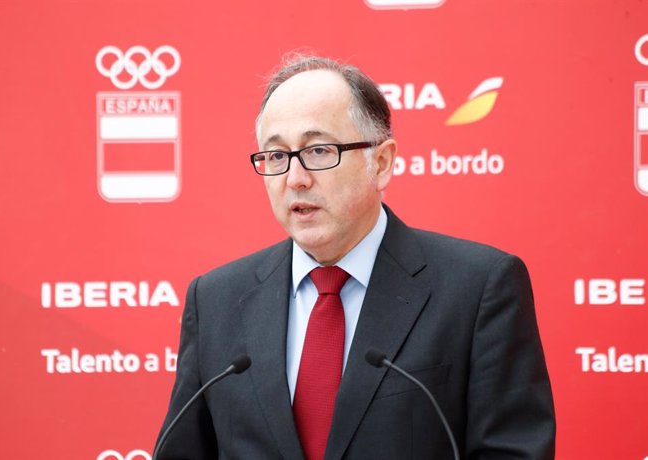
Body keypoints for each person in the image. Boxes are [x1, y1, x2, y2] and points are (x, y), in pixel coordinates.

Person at [155, 54, 555, 460]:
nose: (295, 179)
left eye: (319, 151)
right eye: (276, 156)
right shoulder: (216, 300)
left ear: (380, 163)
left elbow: (512, 450)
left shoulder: (477, 288)